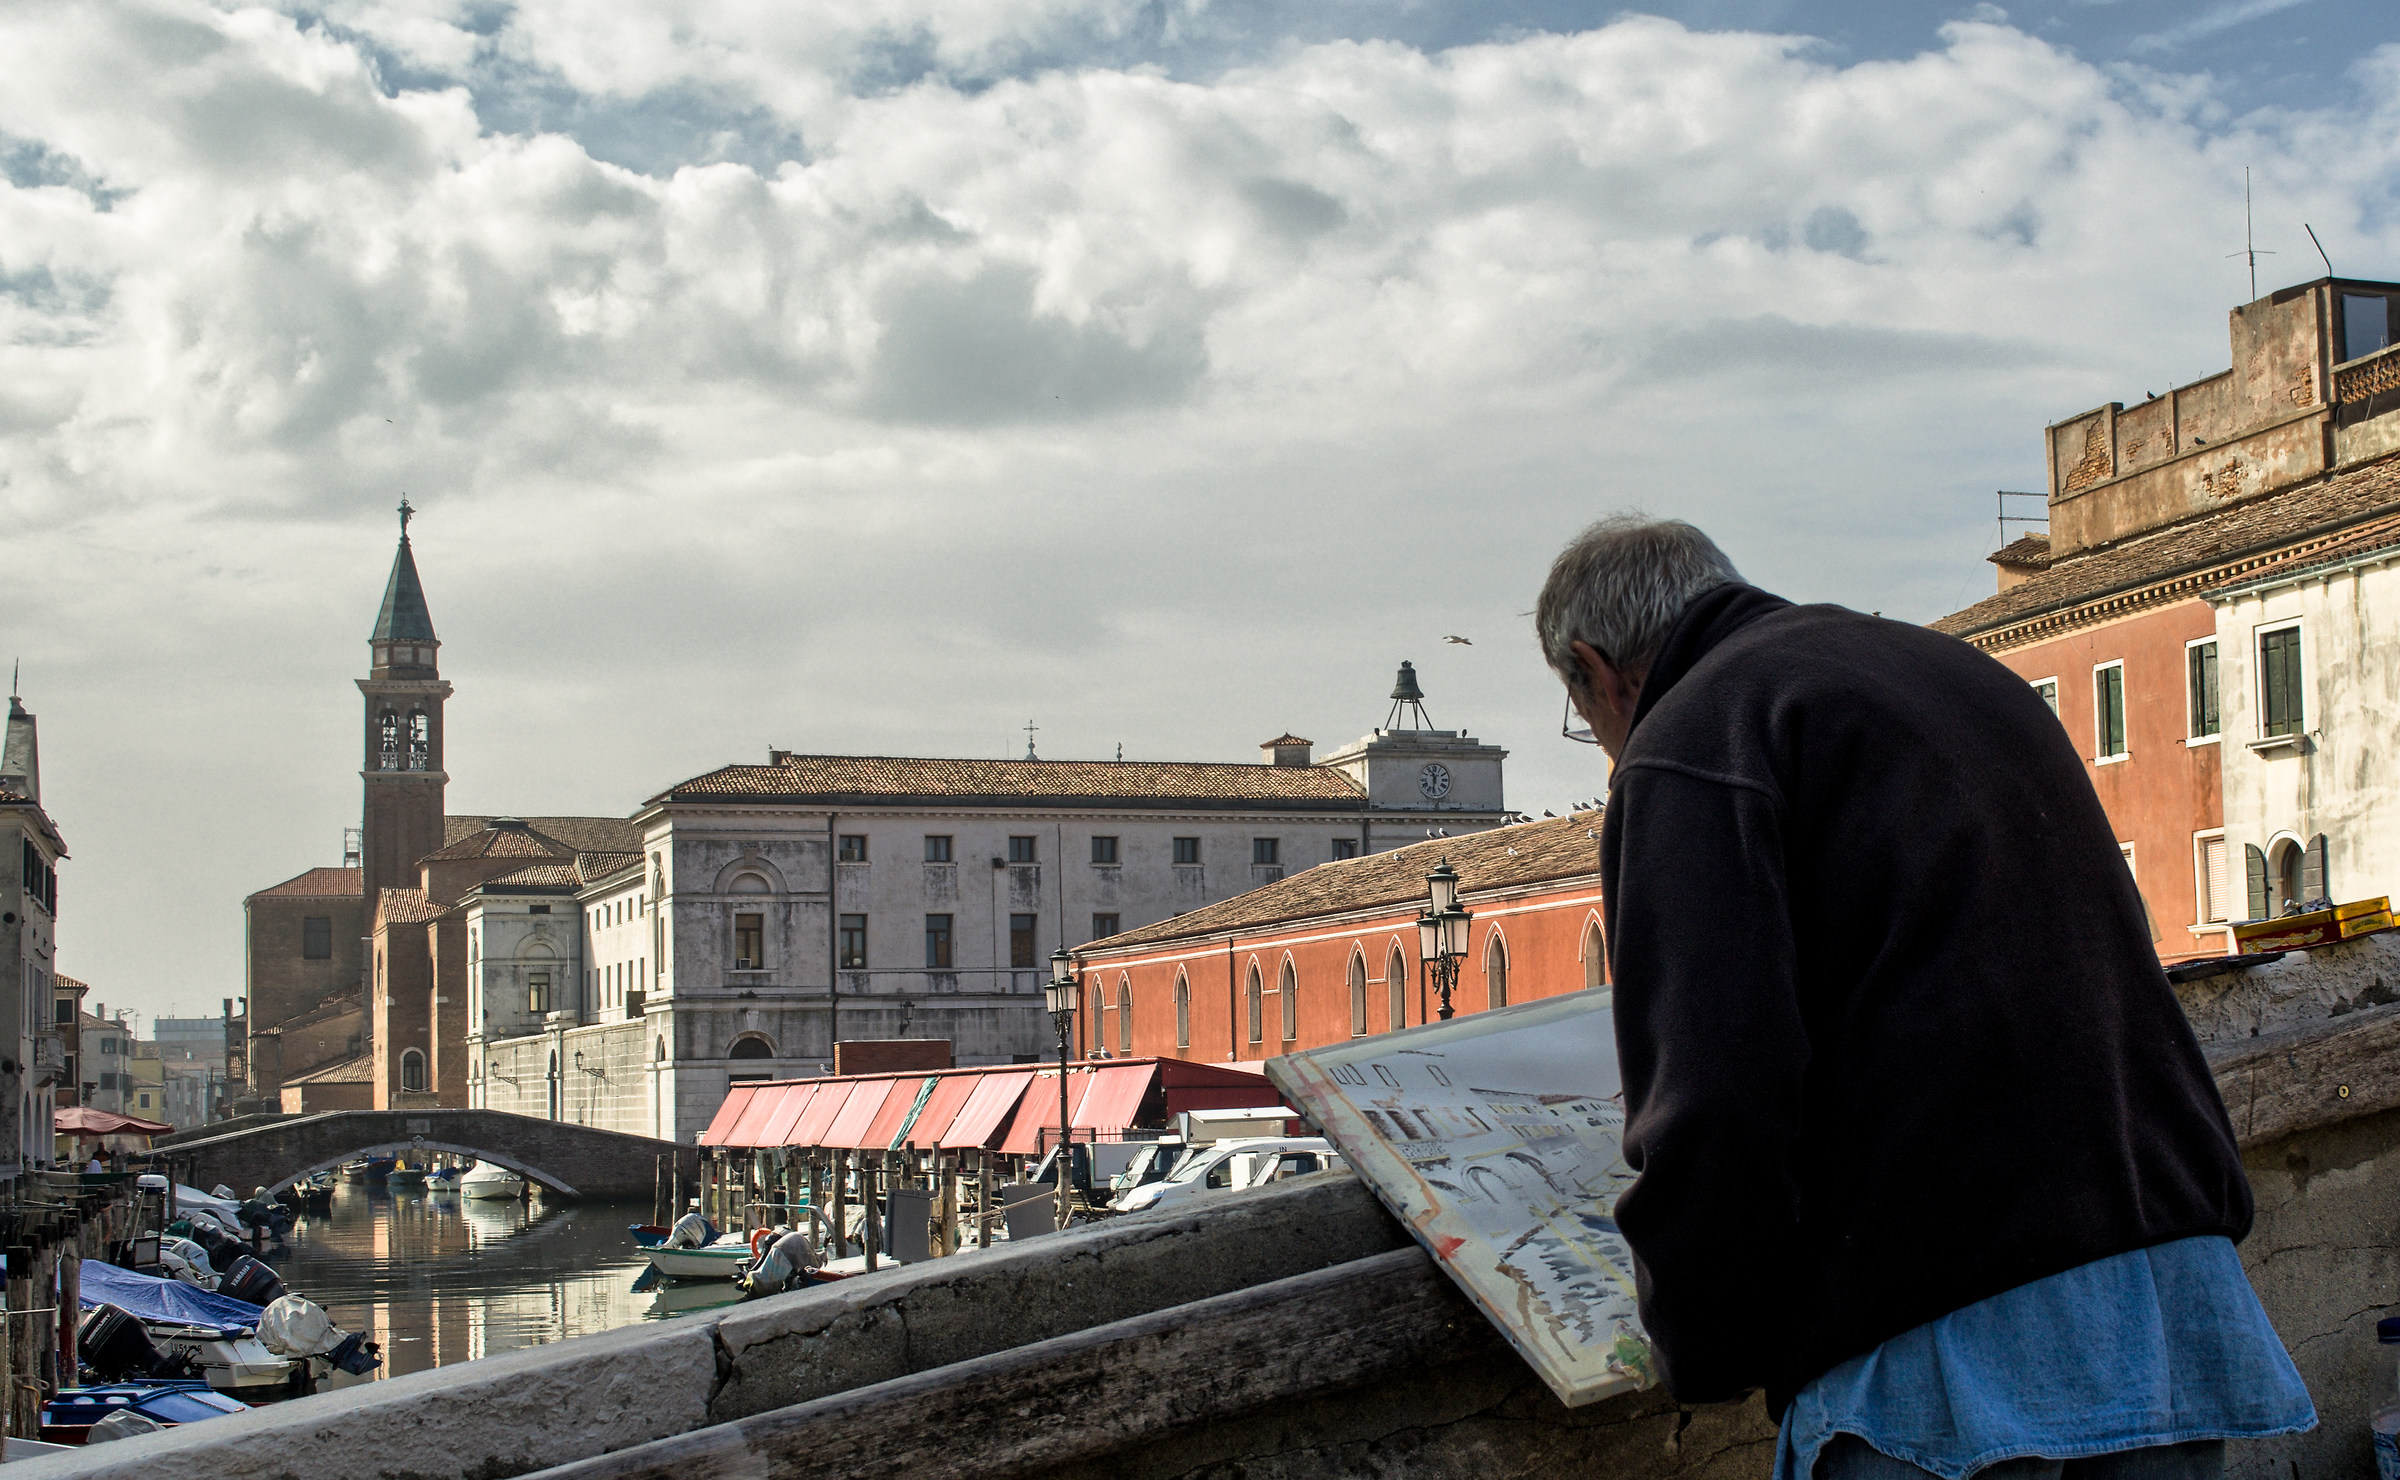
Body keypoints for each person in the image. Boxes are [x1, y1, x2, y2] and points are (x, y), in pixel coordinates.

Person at [1535, 515, 2314, 1480]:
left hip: (1946, 1335)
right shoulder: (1963, 673)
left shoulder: (1692, 740)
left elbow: (1717, 1094)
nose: (1607, 752)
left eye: (1587, 723)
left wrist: (1700, 1344)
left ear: (1595, 668)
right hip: (2167, 1293)